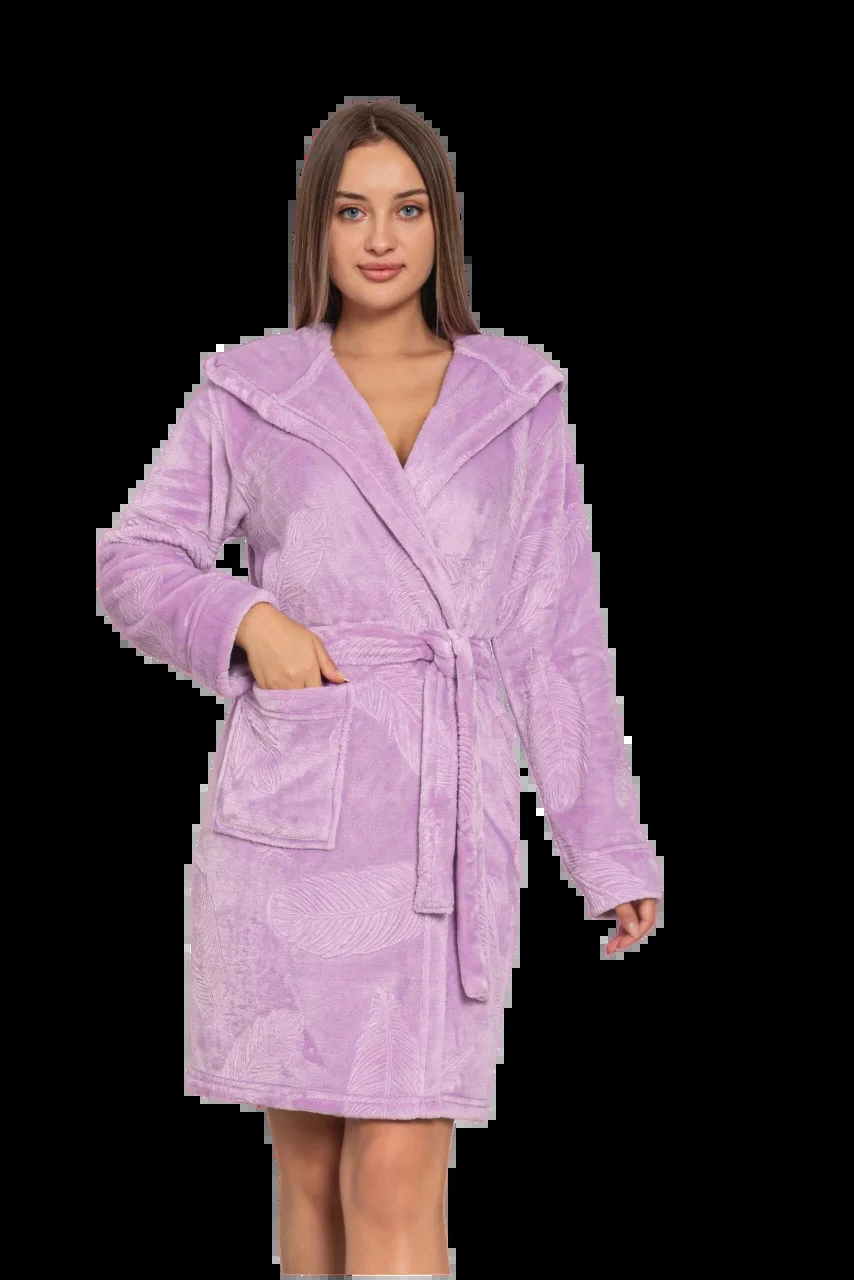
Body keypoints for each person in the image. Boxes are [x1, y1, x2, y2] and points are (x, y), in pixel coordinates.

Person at [96, 100, 663, 1277]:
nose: (379, 238)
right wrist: (247, 620)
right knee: (306, 1167)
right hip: (292, 813)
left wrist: (604, 849)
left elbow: (556, 635)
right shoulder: (253, 391)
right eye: (350, 210)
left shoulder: (515, 396)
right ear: (316, 226)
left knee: (397, 1167)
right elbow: (132, 560)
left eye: (406, 209)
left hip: (435, 828)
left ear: (441, 225)